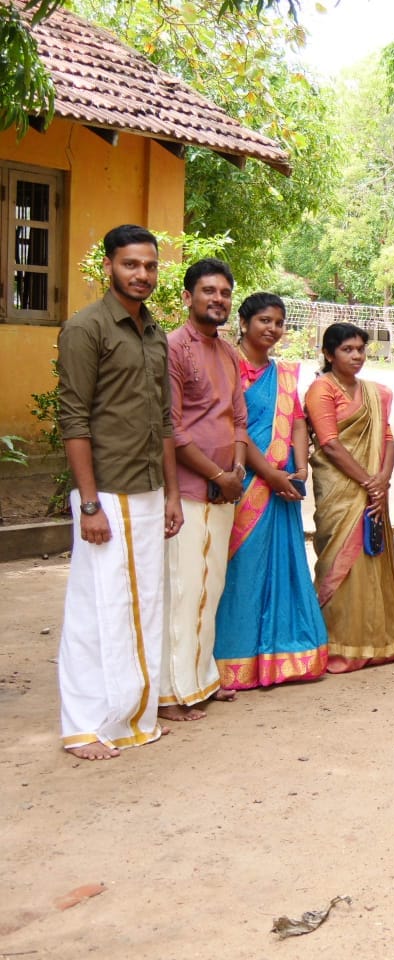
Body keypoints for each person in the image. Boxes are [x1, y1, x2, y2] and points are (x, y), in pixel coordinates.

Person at [56, 225, 183, 759]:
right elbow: (73, 418)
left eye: (150, 266)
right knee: (97, 607)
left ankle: (133, 716)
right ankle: (84, 726)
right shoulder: (86, 328)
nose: (142, 275)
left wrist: (172, 494)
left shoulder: (154, 333)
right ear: (108, 266)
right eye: (131, 264)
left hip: (149, 489)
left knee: (144, 605)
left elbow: (164, 421)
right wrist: (89, 504)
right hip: (105, 492)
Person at [214, 293, 328, 689]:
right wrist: (270, 475)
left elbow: (296, 420)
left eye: (278, 322)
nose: (273, 329)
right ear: (244, 323)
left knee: (282, 568)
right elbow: (232, 426)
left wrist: (299, 469)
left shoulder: (283, 374)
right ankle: (234, 658)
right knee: (243, 569)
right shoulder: (228, 365)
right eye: (265, 320)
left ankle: (283, 657)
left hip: (283, 486)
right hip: (245, 482)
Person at [161, 258, 248, 721]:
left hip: (224, 489)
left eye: (225, 292)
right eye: (208, 291)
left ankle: (201, 681)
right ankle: (172, 694)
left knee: (210, 588)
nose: (218, 299)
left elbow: (239, 419)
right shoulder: (173, 348)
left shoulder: (229, 353)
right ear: (187, 296)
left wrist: (236, 471)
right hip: (191, 490)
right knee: (183, 589)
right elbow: (171, 429)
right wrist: (217, 475)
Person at [305, 323, 394, 672]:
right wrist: (368, 482)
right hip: (340, 489)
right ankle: (339, 644)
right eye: (347, 349)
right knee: (338, 561)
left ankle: (379, 642)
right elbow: (330, 444)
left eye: (360, 349)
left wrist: (382, 481)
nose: (356, 356)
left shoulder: (374, 393)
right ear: (329, 353)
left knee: (371, 557)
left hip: (373, 488)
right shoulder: (322, 389)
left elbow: (388, 439)